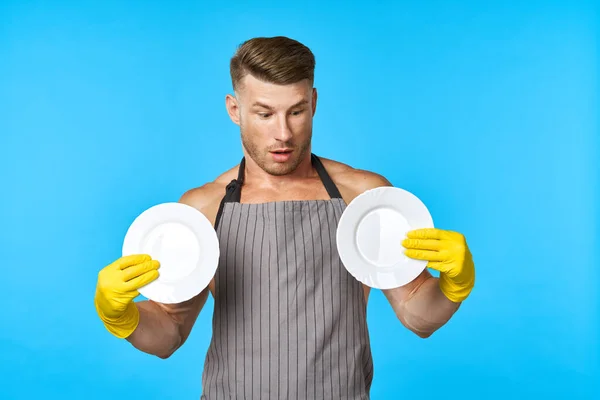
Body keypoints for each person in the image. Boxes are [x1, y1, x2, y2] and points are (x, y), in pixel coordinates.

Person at [94, 36, 476, 399]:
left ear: (313, 102)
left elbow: (416, 314)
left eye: (296, 111)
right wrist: (123, 317)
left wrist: (451, 287)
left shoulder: (364, 197)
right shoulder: (203, 207)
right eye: (264, 113)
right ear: (234, 109)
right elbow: (169, 331)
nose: (283, 133)